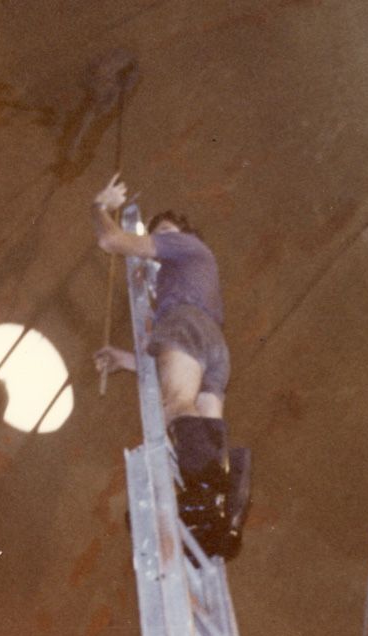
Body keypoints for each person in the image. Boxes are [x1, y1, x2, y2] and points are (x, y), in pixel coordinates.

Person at [91, 173, 250, 559]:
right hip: (213, 345)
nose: (156, 245)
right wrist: (128, 360)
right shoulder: (200, 271)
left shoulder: (182, 246)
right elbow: (184, 357)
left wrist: (98, 207)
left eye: (162, 233)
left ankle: (199, 500)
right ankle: (223, 518)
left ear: (179, 233)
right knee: (207, 426)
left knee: (176, 406)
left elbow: (111, 240)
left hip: (185, 326)